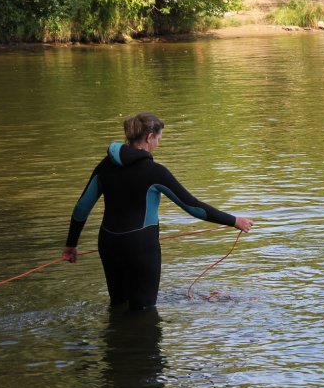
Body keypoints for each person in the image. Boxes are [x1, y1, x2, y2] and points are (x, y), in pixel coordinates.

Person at [63, 113, 253, 310]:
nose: (158, 145)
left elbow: (81, 208)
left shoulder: (105, 166)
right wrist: (234, 220)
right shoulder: (154, 171)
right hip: (141, 247)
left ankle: (115, 339)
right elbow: (194, 207)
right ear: (149, 137)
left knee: (118, 306)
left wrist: (71, 243)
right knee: (143, 312)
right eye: (158, 139)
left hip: (109, 245)